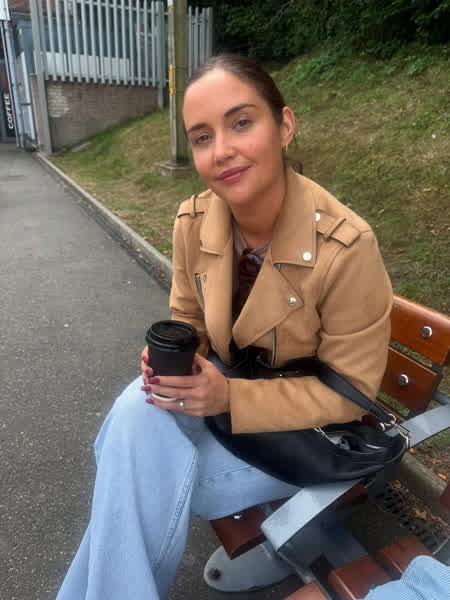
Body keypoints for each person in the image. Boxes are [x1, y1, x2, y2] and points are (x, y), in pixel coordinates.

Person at [56, 54, 393, 600]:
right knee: (136, 411)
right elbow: (189, 321)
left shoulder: (345, 247)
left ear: (284, 125)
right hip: (225, 411)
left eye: (241, 123)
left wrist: (229, 397)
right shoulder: (194, 221)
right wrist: (175, 359)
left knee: (133, 483)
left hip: (305, 439)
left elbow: (350, 394)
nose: (221, 151)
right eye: (202, 136)